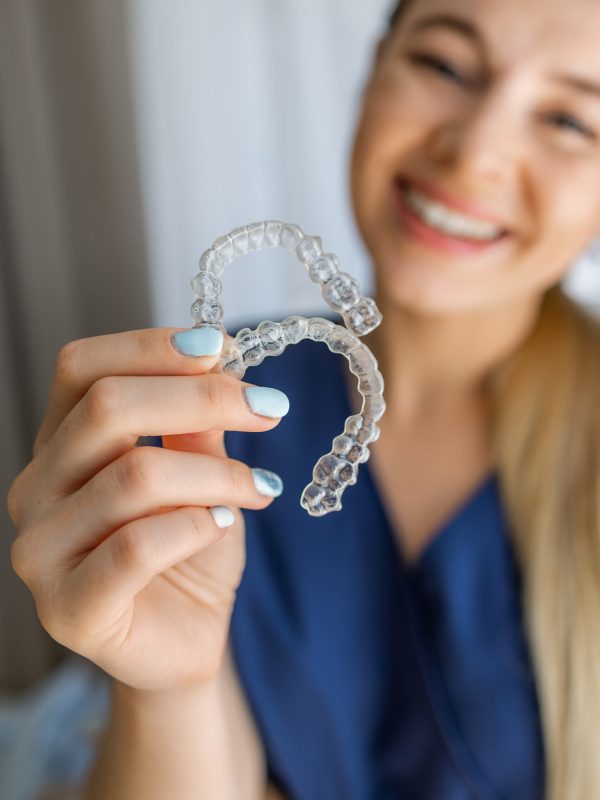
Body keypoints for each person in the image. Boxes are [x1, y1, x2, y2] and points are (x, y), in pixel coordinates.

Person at [7, 0, 600, 796]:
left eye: (569, 120)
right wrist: (170, 688)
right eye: (445, 66)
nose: (474, 155)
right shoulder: (206, 419)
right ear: (375, 66)